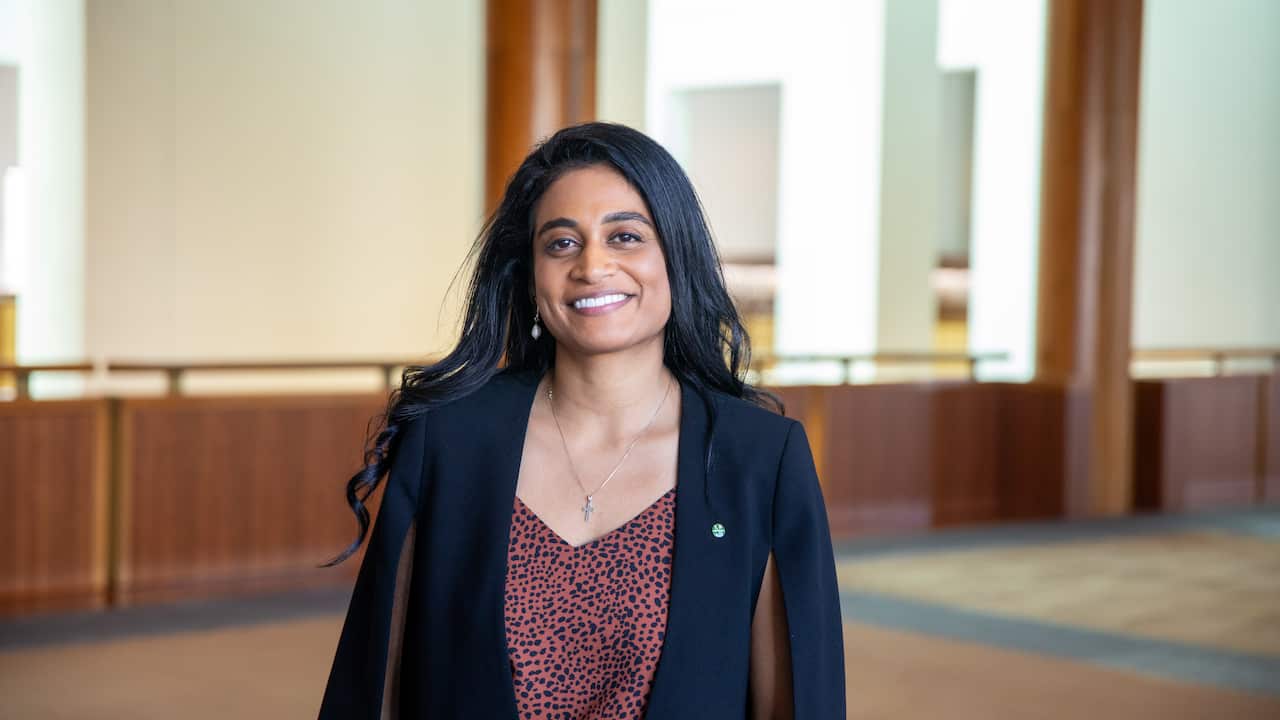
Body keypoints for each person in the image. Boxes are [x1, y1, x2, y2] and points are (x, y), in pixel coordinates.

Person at [318, 122, 844, 719]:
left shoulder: (757, 459)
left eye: (624, 236)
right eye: (562, 243)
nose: (593, 266)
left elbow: (792, 705)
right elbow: (374, 691)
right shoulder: (450, 442)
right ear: (531, 275)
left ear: (676, 254)